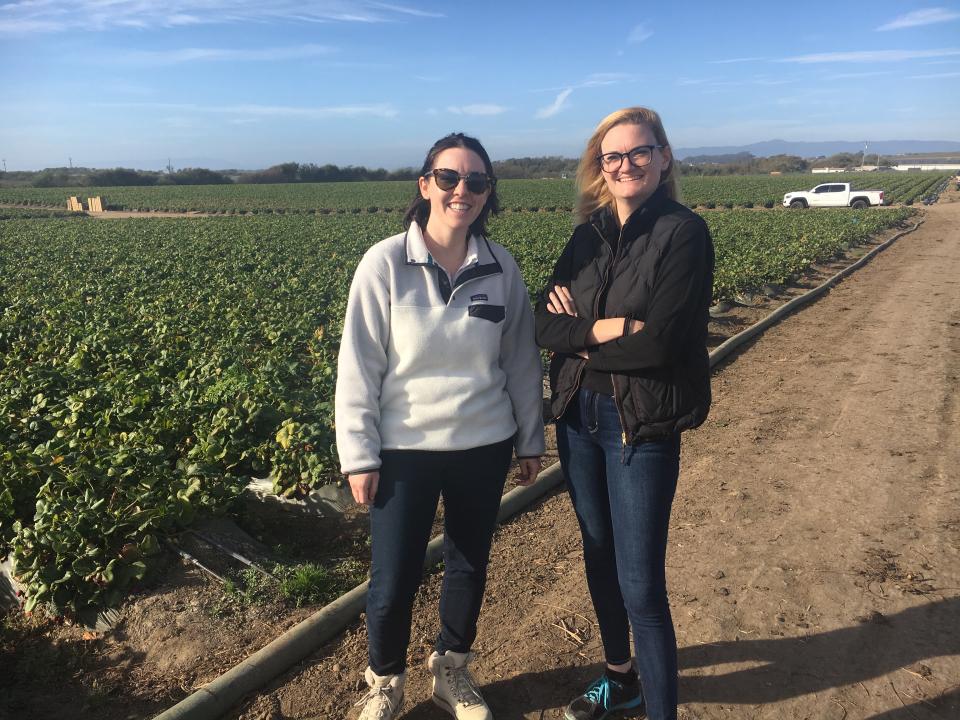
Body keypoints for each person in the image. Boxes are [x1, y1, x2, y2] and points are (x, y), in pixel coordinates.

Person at [336, 132, 545, 720]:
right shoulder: (384, 263)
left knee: (469, 562)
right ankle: (385, 681)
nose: (463, 190)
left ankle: (452, 670)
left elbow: (521, 361)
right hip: (404, 449)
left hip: (484, 442)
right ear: (425, 184)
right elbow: (359, 362)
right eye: (449, 178)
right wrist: (359, 453)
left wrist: (531, 438)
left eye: (476, 181)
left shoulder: (501, 266)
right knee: (394, 574)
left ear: (487, 194)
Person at [534, 107, 715, 720]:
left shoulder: (683, 233)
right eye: (613, 156)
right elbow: (541, 323)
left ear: (664, 158)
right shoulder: (588, 234)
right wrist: (604, 332)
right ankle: (621, 677)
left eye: (640, 152)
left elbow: (662, 343)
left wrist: (577, 337)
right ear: (599, 168)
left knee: (641, 585)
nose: (626, 164)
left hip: (637, 422)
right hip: (577, 415)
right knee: (598, 552)